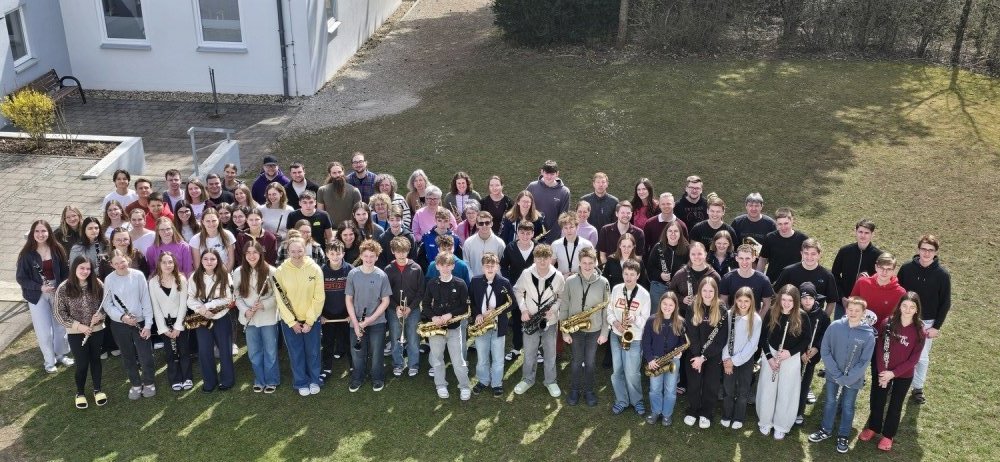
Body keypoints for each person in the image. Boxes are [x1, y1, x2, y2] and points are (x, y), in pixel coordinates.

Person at [859, 292, 926, 452]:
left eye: (912, 307)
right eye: (904, 306)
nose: (907, 310)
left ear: (917, 309)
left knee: (895, 404)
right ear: (899, 306)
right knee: (877, 399)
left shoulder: (919, 331)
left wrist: (893, 374)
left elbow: (914, 359)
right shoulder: (887, 323)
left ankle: (888, 435)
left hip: (903, 374)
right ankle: (873, 427)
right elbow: (880, 349)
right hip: (883, 371)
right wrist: (883, 372)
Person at [809, 297, 876, 454]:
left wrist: (848, 378)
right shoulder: (835, 326)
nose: (853, 313)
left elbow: (864, 361)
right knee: (830, 402)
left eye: (857, 311)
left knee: (848, 406)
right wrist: (836, 374)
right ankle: (825, 430)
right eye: (850, 309)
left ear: (863, 313)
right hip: (833, 375)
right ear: (846, 310)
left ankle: (843, 435)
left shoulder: (868, 335)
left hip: (853, 379)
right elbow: (825, 350)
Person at [896, 235, 950, 406]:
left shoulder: (942, 275)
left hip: (927, 322)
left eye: (930, 250)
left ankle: (917, 388)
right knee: (900, 352)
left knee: (922, 357)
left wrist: (936, 327)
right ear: (918, 249)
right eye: (924, 249)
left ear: (936, 252)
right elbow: (898, 293)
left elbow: (945, 303)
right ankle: (895, 381)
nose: (926, 253)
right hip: (905, 318)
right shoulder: (906, 268)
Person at [756, 284, 812, 440]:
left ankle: (781, 424)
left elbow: (806, 339)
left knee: (786, 390)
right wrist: (769, 357)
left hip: (790, 357)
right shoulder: (772, 312)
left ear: (796, 301)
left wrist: (790, 352)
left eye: (790, 300)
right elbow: (763, 337)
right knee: (768, 389)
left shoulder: (802, 316)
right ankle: (765, 421)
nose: (786, 304)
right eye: (784, 300)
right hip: (772, 353)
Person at [17, 220, 72, 374]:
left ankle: (61, 355)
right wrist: (40, 287)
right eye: (37, 231)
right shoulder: (27, 254)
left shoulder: (57, 249)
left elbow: (65, 272)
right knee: (44, 331)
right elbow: (21, 278)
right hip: (37, 294)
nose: (40, 234)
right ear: (32, 234)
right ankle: (49, 361)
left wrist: (60, 288)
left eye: (43, 231)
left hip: (56, 291)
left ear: (49, 233)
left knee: (60, 326)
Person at [274, 237, 325, 396]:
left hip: (312, 320)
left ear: (305, 250)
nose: (296, 254)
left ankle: (314, 380)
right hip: (290, 322)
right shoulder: (280, 271)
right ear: (288, 252)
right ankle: (301, 382)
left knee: (313, 351)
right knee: (296, 353)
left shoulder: (315, 269)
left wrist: (310, 321)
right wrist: (292, 322)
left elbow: (319, 297)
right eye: (293, 251)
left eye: (300, 251)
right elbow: (280, 299)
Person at [54, 256, 107, 409]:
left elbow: (106, 305)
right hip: (75, 332)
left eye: (88, 268)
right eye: (81, 268)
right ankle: (80, 393)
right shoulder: (64, 287)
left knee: (96, 360)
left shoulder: (97, 284)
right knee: (82, 363)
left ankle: (98, 390)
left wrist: (101, 315)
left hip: (96, 329)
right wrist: (79, 326)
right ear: (74, 268)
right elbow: (59, 313)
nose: (85, 271)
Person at [103, 249, 156, 399]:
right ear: (111, 264)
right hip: (120, 324)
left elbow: (146, 300)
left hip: (140, 321)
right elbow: (107, 304)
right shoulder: (109, 279)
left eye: (122, 261)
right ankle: (135, 384)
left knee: (145, 355)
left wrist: (148, 325)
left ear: (128, 259)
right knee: (128, 355)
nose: (120, 265)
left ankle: (149, 382)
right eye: (116, 263)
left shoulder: (138, 275)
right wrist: (122, 317)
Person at [513, 244, 565, 397]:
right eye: (539, 258)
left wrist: (553, 309)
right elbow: (518, 291)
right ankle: (527, 379)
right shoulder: (526, 274)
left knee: (550, 353)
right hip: (530, 319)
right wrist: (523, 309)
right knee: (529, 353)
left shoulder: (558, 276)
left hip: (550, 320)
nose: (542, 261)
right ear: (534, 259)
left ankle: (551, 381)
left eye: (546, 258)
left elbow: (561, 297)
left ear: (551, 259)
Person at [559, 247, 609, 407]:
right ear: (579, 263)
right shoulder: (570, 281)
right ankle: (574, 389)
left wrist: (604, 332)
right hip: (575, 329)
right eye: (584, 263)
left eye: (590, 263)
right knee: (576, 361)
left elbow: (606, 309)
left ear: (596, 263)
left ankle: (589, 390)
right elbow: (564, 306)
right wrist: (564, 331)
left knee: (590, 362)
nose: (587, 266)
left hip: (595, 330)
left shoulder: (603, 282)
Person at [422, 253, 472, 400]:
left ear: (453, 266)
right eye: (442, 265)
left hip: (454, 328)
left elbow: (464, 306)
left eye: (448, 265)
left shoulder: (460, 283)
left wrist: (450, 314)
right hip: (436, 329)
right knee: (437, 359)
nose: (445, 268)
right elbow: (425, 305)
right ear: (437, 266)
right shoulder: (431, 283)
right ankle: (440, 385)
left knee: (458, 360)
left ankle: (464, 386)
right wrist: (433, 318)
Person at [345, 239, 392, 392]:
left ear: (377, 257)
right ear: (361, 256)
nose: (369, 259)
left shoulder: (381, 275)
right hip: (356, 321)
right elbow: (348, 299)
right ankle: (357, 377)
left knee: (377, 352)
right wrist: (356, 323)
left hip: (377, 322)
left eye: (372, 256)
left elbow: (385, 301)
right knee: (357, 352)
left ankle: (377, 377)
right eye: (366, 256)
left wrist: (369, 320)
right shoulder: (353, 274)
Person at [682, 278, 730, 428]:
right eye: (705, 290)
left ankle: (706, 413)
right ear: (700, 291)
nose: (708, 294)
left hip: (712, 354)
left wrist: (704, 356)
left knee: (711, 385)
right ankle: (693, 411)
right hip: (694, 353)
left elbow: (721, 338)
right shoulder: (692, 306)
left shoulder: (722, 309)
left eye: (711, 291)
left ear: (715, 292)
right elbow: (691, 333)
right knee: (694, 383)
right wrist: (697, 355)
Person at [186, 249, 235, 393]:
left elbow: (229, 299)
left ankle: (227, 380)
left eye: (212, 259)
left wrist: (208, 307)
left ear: (218, 260)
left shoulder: (225, 275)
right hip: (202, 318)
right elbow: (190, 298)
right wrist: (201, 310)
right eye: (205, 259)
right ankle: (209, 381)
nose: (209, 262)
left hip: (221, 317)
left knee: (225, 350)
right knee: (204, 350)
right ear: (201, 261)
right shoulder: (195, 276)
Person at [234, 242, 280, 394]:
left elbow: (278, 295)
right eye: (248, 252)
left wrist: (264, 304)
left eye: (255, 252)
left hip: (268, 317)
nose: (251, 256)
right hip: (249, 318)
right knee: (254, 352)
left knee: (270, 351)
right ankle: (259, 380)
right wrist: (245, 310)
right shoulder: (238, 272)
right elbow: (236, 296)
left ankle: (272, 380)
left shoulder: (271, 271)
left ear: (261, 254)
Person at [607, 260, 650, 415]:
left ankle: (637, 401)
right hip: (616, 335)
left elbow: (645, 321)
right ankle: (622, 400)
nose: (628, 278)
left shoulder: (644, 295)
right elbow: (609, 310)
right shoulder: (616, 289)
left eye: (632, 274)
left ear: (638, 276)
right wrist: (615, 323)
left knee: (632, 373)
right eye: (626, 274)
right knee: (617, 371)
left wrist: (634, 319)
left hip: (635, 338)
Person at [469, 252, 515, 397]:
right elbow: (471, 301)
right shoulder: (475, 281)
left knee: (498, 358)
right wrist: (477, 314)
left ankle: (497, 383)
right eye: (487, 266)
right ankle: (483, 380)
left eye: (492, 265)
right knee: (482, 357)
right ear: (482, 267)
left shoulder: (504, 282)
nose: (490, 268)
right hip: (481, 324)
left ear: (497, 267)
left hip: (498, 325)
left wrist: (497, 312)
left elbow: (512, 303)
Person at [148, 251, 193, 392]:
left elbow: (183, 305)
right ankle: (175, 378)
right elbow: (155, 307)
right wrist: (163, 329)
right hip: (164, 323)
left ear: (174, 264)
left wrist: (178, 326)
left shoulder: (181, 279)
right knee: (170, 353)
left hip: (180, 320)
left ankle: (187, 377)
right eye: (164, 262)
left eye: (170, 262)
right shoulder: (153, 282)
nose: (168, 265)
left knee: (184, 350)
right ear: (159, 264)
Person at [719, 287, 762, 430]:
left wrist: (734, 361)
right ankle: (727, 415)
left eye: (746, 301)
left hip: (746, 360)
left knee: (743, 391)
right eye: (740, 300)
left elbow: (752, 345)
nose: (743, 304)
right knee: (728, 390)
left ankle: (739, 417)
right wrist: (727, 360)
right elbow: (724, 339)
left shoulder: (756, 319)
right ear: (735, 301)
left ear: (751, 302)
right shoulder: (729, 315)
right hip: (728, 359)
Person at [643, 291, 687, 426]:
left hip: (673, 360)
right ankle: (656, 411)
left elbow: (683, 342)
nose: (667, 307)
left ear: (675, 306)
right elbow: (646, 342)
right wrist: (650, 359)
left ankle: (667, 414)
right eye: (665, 304)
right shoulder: (652, 320)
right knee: (655, 388)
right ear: (660, 304)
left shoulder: (680, 322)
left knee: (670, 389)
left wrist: (679, 352)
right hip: (655, 361)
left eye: (671, 305)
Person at [384, 237, 424, 377]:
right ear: (393, 251)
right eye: (398, 251)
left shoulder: (416, 268)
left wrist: (410, 307)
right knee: (395, 338)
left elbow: (421, 292)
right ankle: (398, 364)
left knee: (413, 338)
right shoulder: (388, 269)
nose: (401, 254)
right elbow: (386, 293)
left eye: (404, 251)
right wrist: (396, 307)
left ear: (408, 251)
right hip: (394, 310)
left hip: (413, 310)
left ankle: (413, 365)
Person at [831, 219, 882, 319]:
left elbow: (881, 280)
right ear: (855, 232)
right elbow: (834, 275)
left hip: (866, 306)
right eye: (860, 232)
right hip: (844, 303)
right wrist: (842, 297)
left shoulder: (878, 256)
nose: (863, 235)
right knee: (840, 328)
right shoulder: (845, 251)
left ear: (872, 234)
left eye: (866, 233)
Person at [773, 239, 838, 316]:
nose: (809, 257)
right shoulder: (788, 271)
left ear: (819, 254)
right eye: (806, 253)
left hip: (814, 318)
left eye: (813, 254)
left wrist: (824, 319)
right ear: (801, 253)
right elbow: (776, 293)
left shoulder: (827, 275)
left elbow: (832, 301)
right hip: (790, 317)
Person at [796, 282, 831, 425]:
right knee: (791, 384)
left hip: (811, 357)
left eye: (810, 298)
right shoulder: (795, 312)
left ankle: (799, 411)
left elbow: (825, 335)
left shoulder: (822, 316)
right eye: (804, 298)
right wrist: (800, 352)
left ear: (815, 299)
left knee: (805, 384)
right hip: (795, 355)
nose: (807, 301)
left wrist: (816, 348)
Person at [501, 221, 535, 362]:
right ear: (517, 233)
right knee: (517, 319)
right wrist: (509, 284)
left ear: (533, 234)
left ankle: (536, 348)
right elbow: (503, 266)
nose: (525, 236)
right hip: (516, 290)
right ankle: (516, 347)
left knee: (535, 318)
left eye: (528, 233)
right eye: (522, 233)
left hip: (534, 290)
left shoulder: (538, 248)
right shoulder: (510, 247)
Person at [319, 240, 353, 381]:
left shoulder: (350, 270)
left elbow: (355, 294)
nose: (335, 257)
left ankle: (353, 366)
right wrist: (320, 315)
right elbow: (316, 295)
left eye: (338, 253)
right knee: (327, 342)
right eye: (332, 253)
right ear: (327, 254)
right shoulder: (321, 271)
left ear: (343, 254)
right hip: (327, 315)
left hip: (346, 314)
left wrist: (352, 314)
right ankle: (326, 368)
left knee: (348, 341)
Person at [756, 207, 809, 283]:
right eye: (780, 224)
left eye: (786, 223)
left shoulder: (802, 239)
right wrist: (758, 279)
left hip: (794, 282)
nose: (783, 227)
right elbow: (763, 259)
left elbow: (809, 260)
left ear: (792, 221)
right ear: (776, 223)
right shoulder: (770, 238)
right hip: (773, 281)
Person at [850, 253, 906, 325]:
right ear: (876, 267)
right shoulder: (862, 282)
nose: (884, 272)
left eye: (889, 269)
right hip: (858, 327)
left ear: (894, 270)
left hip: (884, 331)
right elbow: (850, 305)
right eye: (881, 268)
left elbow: (900, 317)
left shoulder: (900, 293)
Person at [668, 242, 720, 317]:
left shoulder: (714, 276)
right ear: (689, 255)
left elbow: (718, 297)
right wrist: (682, 299)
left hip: (707, 316)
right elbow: (670, 292)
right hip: (684, 315)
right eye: (693, 254)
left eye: (699, 254)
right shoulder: (681, 274)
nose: (696, 257)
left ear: (705, 254)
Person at [719, 244, 773, 315]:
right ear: (736, 258)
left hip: (753, 319)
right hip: (732, 318)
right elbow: (723, 303)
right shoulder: (727, 278)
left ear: (753, 258)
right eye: (741, 258)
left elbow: (767, 304)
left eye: (747, 258)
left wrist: (759, 319)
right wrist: (729, 318)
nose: (744, 262)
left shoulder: (763, 280)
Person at [526, 160, 570, 244]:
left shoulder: (564, 192)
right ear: (542, 172)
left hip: (552, 239)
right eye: (546, 173)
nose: (549, 177)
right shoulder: (532, 187)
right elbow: (523, 208)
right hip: (529, 236)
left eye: (552, 174)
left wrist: (551, 238)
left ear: (557, 174)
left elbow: (562, 218)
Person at [645, 221, 689, 304]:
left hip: (678, 289)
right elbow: (650, 268)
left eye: (676, 231)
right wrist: (660, 275)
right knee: (656, 311)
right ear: (666, 233)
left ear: (680, 233)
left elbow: (689, 270)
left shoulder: (686, 249)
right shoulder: (658, 247)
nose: (673, 234)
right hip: (659, 286)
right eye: (670, 231)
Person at [463, 211, 506, 277]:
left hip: (494, 281)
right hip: (474, 280)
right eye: (481, 223)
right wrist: (472, 279)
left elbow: (502, 265)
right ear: (477, 225)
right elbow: (466, 263)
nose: (484, 226)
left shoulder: (500, 243)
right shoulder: (468, 243)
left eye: (487, 223)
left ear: (491, 224)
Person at [552, 212, 594, 277]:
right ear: (562, 229)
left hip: (582, 280)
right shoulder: (555, 245)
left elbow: (593, 265)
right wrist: (560, 277)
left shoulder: (587, 245)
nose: (568, 231)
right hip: (562, 280)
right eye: (565, 228)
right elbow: (550, 266)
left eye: (571, 227)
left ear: (577, 227)